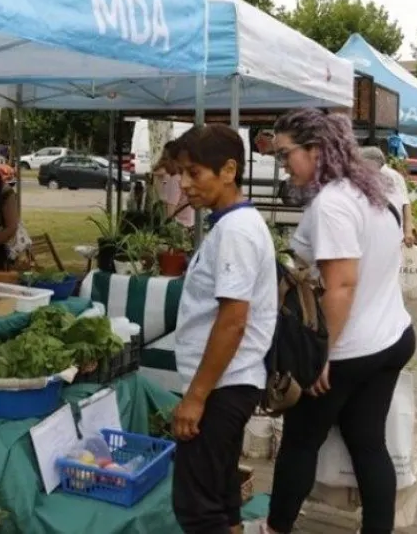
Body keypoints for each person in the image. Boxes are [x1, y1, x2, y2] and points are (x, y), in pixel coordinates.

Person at [253, 109, 415, 534]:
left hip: (349, 350)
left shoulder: (333, 204)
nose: (282, 162)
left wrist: (318, 357)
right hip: (391, 337)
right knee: (368, 444)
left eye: (286, 153)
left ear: (317, 150)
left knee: (301, 442)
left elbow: (341, 285)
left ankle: (276, 527)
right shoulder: (369, 190)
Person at [167, 125, 278, 534]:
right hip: (226, 383)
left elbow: (233, 322)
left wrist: (196, 397)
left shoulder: (236, 231)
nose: (184, 184)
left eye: (194, 173)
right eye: (181, 173)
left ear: (228, 170)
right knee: (222, 497)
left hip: (222, 386)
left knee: (197, 508)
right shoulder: (230, 224)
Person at [361, 145, 414, 246]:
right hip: (379, 233)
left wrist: (408, 231)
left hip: (391, 232)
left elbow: (405, 203)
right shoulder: (370, 176)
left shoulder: (393, 176)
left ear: (372, 162)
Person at [153, 141, 195, 228]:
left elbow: (170, 213)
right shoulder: (188, 178)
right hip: (190, 224)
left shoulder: (175, 180)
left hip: (179, 227)